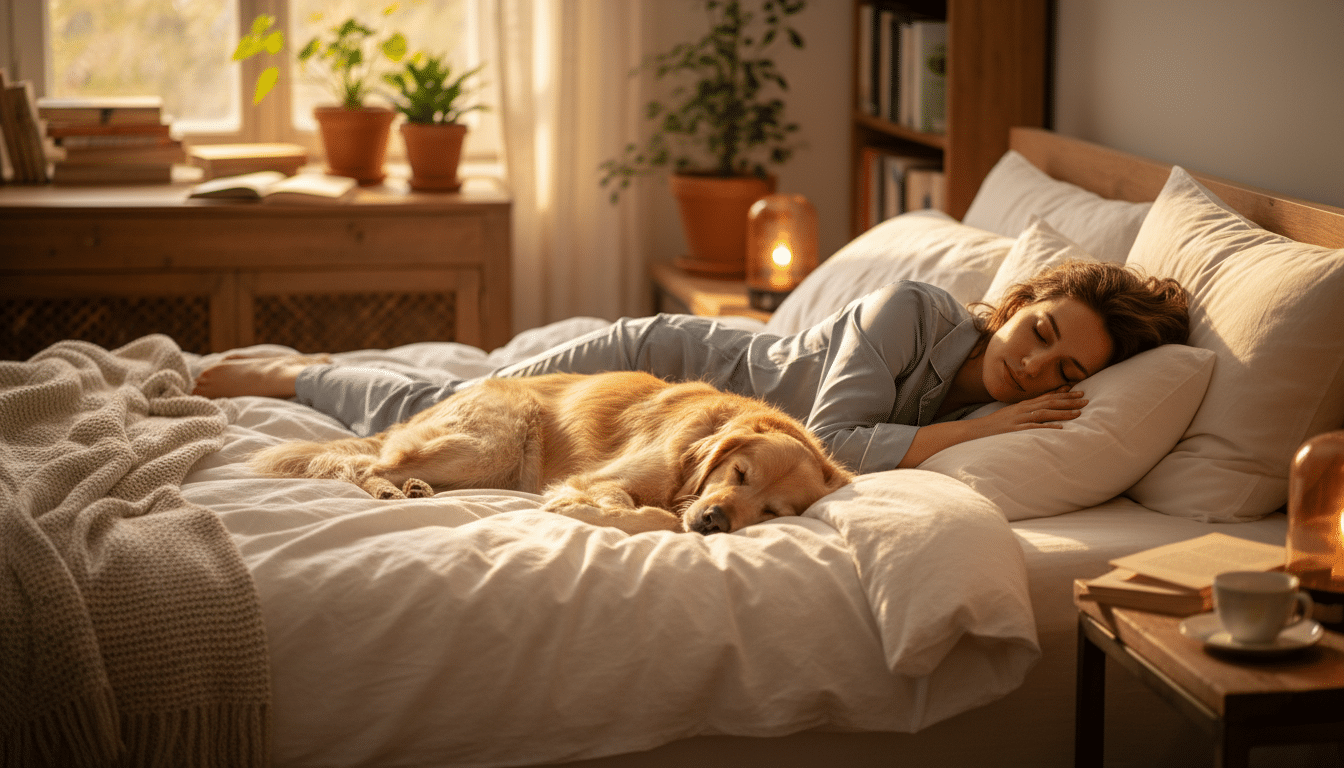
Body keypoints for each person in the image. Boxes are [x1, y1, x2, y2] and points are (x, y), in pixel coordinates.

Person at [194, 260, 1189, 474]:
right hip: (657, 361)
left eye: (1065, 366)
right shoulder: (913, 310)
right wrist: (971, 431)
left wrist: (977, 429)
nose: (1036, 362)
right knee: (455, 396)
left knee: (458, 384)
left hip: (669, 413)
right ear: (1015, 305)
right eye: (1040, 330)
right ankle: (294, 376)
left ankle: (317, 371)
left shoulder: (998, 410)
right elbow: (830, 440)